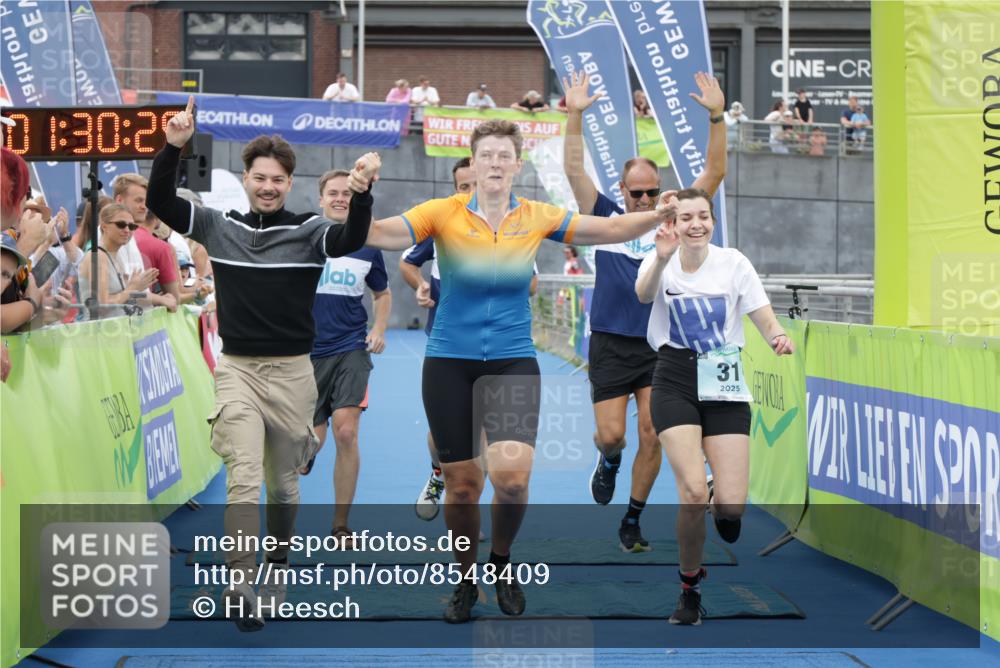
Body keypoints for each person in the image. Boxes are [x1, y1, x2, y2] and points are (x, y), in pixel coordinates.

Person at [359, 118, 677, 624]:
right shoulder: (440, 213)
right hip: (448, 362)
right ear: (473, 161)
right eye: (486, 155)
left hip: (510, 360)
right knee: (463, 486)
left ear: (517, 164)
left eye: (504, 156)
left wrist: (659, 216)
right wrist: (360, 193)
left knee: (510, 480)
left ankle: (502, 561)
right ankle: (465, 580)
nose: (495, 164)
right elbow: (377, 233)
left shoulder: (536, 216)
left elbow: (612, 228)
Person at [146, 97, 376, 632]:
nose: (267, 186)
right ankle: (240, 581)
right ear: (246, 179)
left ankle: (276, 563)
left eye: (277, 179)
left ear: (289, 183)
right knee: (243, 478)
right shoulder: (216, 226)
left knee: (283, 487)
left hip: (294, 374)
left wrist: (361, 195)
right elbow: (160, 199)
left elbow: (351, 237)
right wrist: (173, 146)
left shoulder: (312, 231)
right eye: (259, 177)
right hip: (238, 371)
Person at [563, 70, 726, 552]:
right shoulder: (605, 213)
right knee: (612, 435)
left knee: (653, 431)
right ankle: (609, 461)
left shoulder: (675, 217)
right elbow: (574, 171)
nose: (645, 200)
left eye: (651, 192)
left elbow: (713, 175)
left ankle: (632, 519)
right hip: (611, 341)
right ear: (622, 189)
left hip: (660, 344)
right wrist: (574, 113)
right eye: (636, 193)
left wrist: (717, 117)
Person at [635, 188, 793, 625]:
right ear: (675, 223)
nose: (696, 224)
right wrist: (662, 257)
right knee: (688, 494)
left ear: (713, 220)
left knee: (731, 510)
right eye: (686, 218)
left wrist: (776, 336)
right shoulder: (662, 257)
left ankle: (714, 493)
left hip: (724, 379)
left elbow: (760, 312)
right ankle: (689, 588)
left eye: (703, 216)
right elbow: (643, 294)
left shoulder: (734, 262)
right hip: (675, 376)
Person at [302, 168, 392, 544]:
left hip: (350, 349)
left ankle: (340, 525)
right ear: (321, 199)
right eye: (333, 193)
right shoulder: (304, 240)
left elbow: (382, 294)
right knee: (310, 442)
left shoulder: (368, 244)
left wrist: (379, 329)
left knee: (346, 431)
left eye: (347, 194)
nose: (340, 198)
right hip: (306, 355)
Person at [402, 157, 476, 521]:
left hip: (495, 346)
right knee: (444, 432)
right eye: (464, 186)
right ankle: (437, 473)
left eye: (476, 184)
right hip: (446, 343)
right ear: (455, 189)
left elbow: (532, 283)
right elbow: (407, 262)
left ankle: (468, 508)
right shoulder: (441, 227)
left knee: (483, 440)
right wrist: (421, 285)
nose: (472, 193)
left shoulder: (512, 228)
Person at [77, 204, 165, 318]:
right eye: (121, 225)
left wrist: (161, 299)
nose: (127, 230)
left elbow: (124, 297)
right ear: (104, 226)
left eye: (132, 226)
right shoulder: (97, 256)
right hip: (99, 332)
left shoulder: (116, 255)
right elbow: (102, 306)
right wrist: (132, 289)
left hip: (117, 331)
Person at [111, 173, 154, 275]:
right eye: (138, 200)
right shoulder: (108, 236)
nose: (144, 206)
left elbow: (139, 289)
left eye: (146, 201)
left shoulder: (130, 236)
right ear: (119, 200)